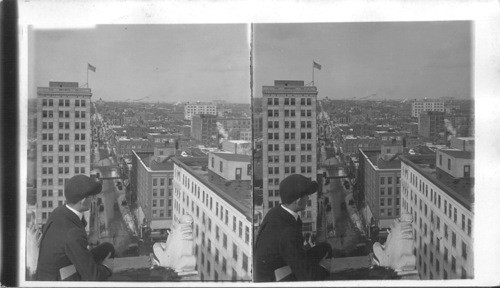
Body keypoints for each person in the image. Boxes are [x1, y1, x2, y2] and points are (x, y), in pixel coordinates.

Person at [254, 174, 333, 282]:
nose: (308, 198)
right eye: (306, 195)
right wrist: (326, 270)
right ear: (298, 200)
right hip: (273, 279)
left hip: (280, 263)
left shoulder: (276, 211)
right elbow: (307, 276)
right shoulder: (287, 232)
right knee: (321, 271)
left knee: (325, 248)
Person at [36, 175, 115, 281]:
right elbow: (93, 276)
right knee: (102, 268)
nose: (94, 199)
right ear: (83, 200)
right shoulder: (73, 233)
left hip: (52, 272)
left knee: (107, 248)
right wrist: (107, 268)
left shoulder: (58, 211)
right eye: (92, 196)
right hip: (58, 280)